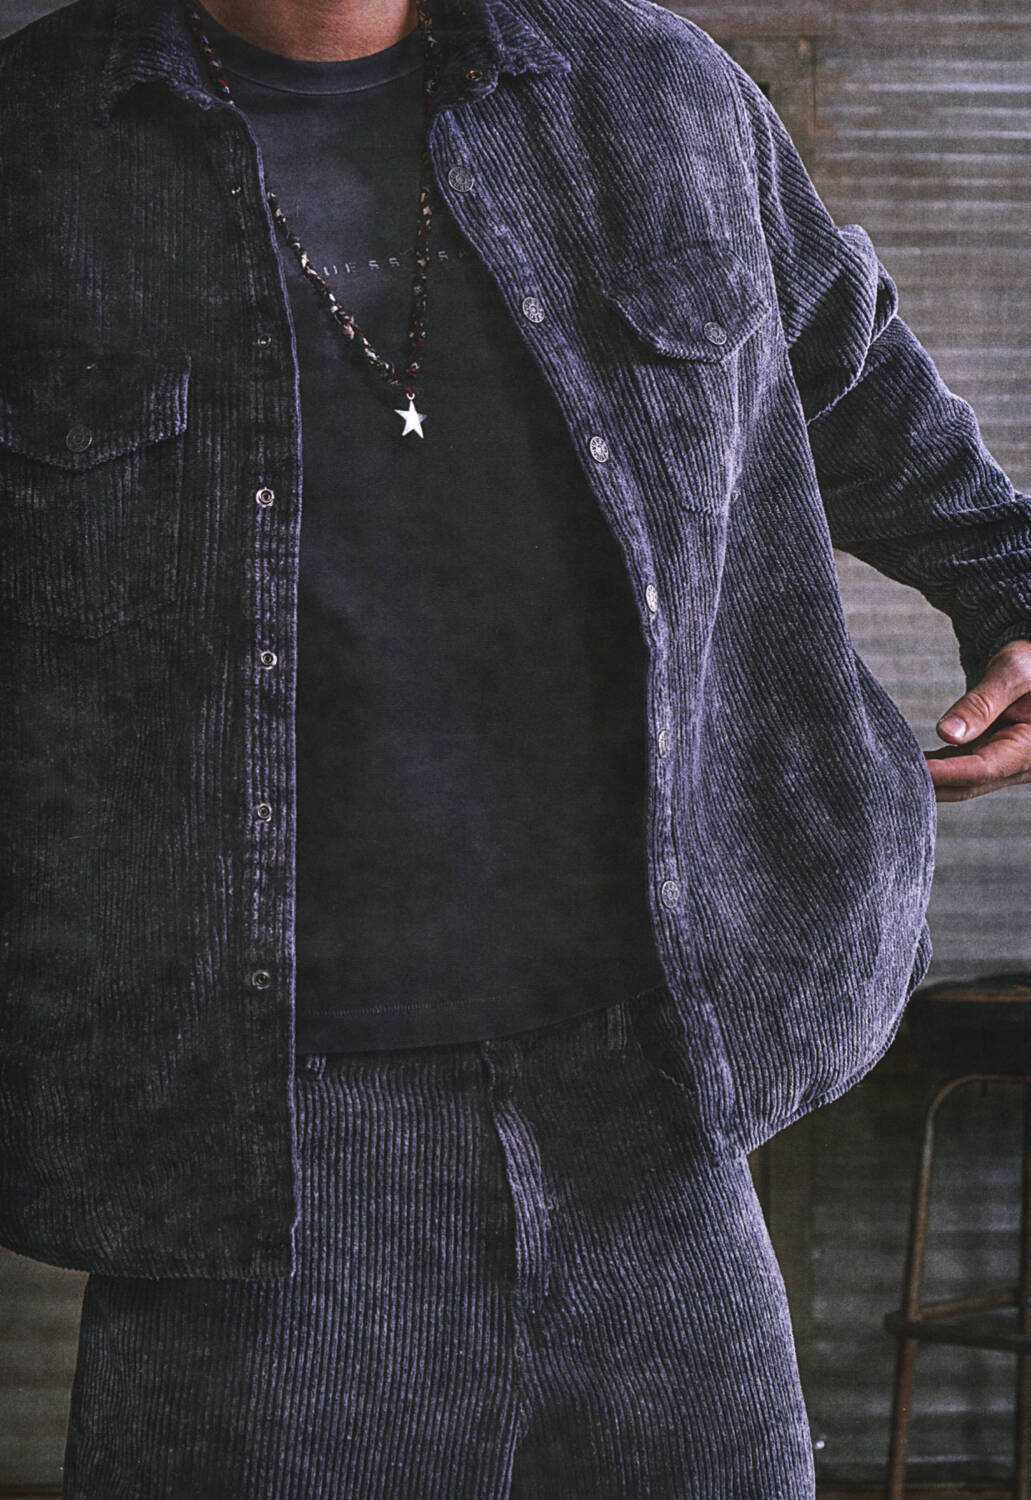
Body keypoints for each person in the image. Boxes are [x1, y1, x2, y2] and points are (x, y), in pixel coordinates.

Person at [1, 0, 1029, 1493]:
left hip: (656, 1089)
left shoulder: (652, 89)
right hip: (250, 1133)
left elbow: (849, 375)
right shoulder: (37, 142)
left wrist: (1015, 588)